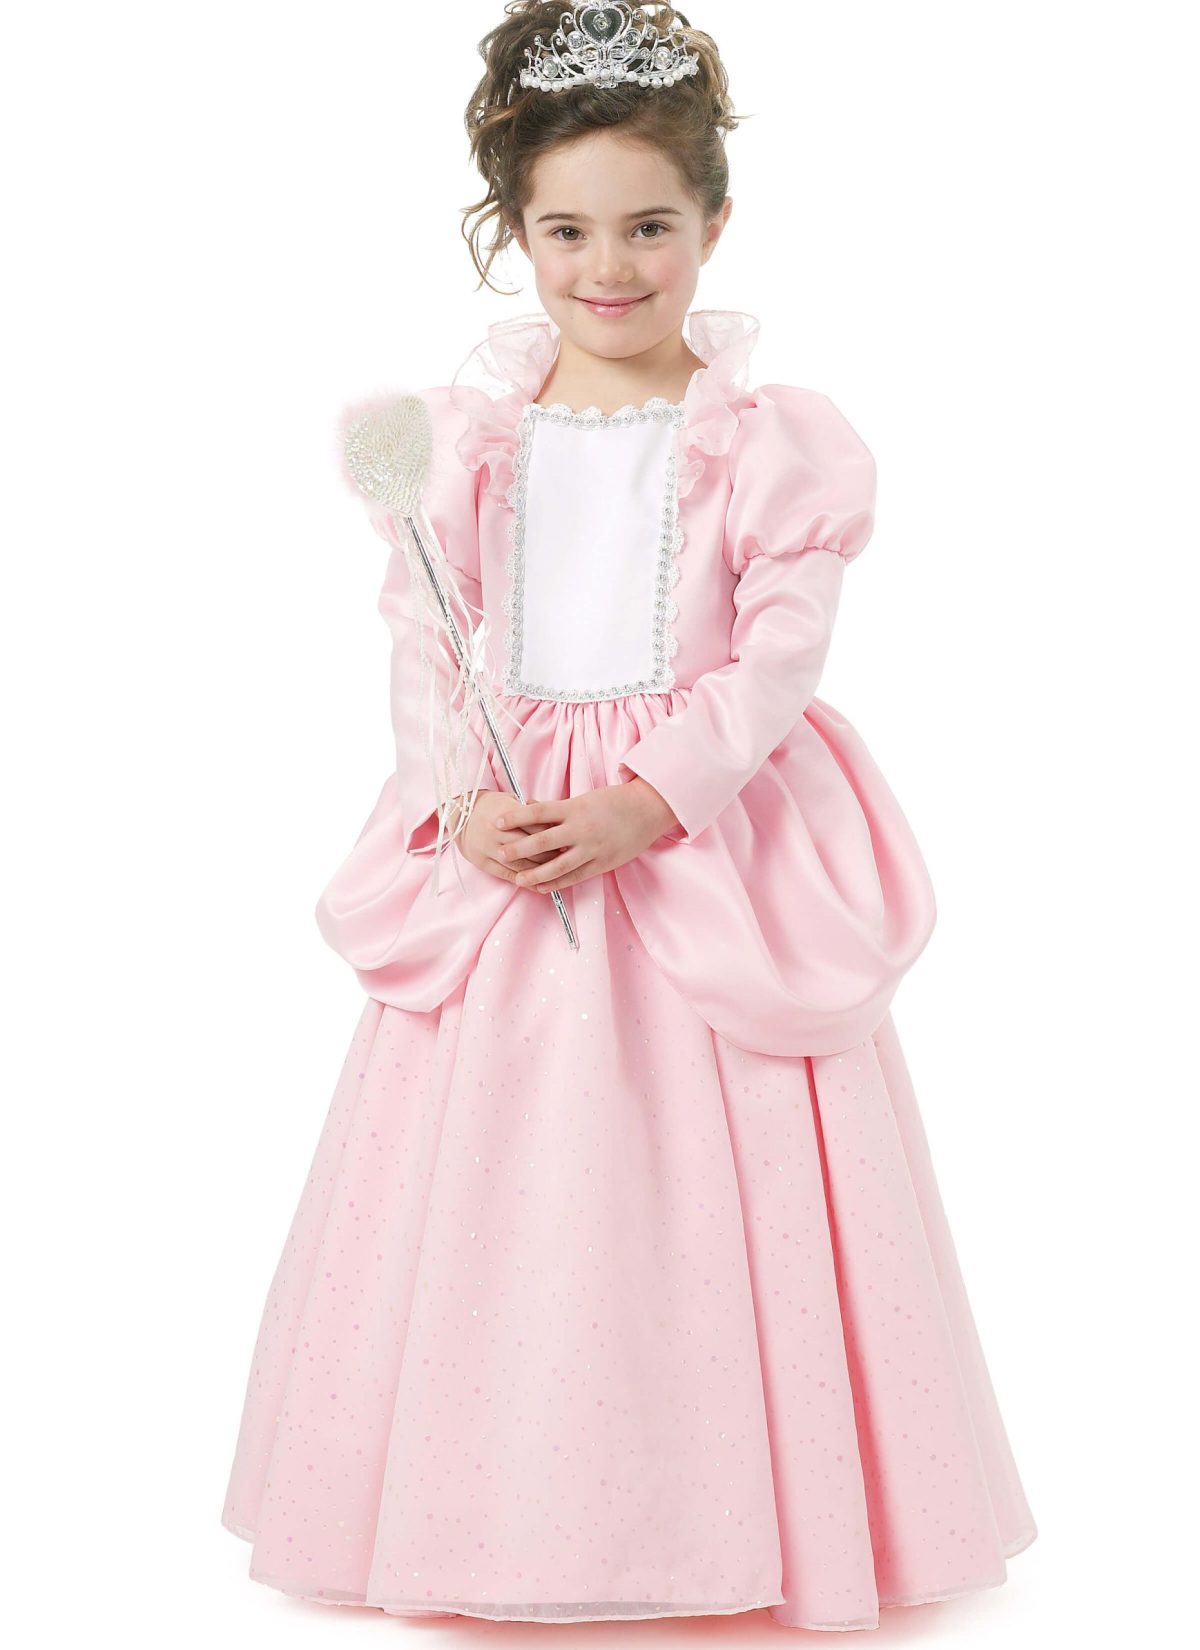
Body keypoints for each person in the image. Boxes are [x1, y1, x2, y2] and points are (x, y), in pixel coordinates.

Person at [220, 1, 1037, 1630]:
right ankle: (496, 1515)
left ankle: (746, 1516)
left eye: (650, 225)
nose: (611, 266)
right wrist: (463, 799)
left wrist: (650, 800)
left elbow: (779, 656)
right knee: (502, 1185)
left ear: (715, 220)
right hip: (515, 838)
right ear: (514, 232)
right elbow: (426, 632)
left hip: (697, 845)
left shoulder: (766, 441)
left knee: (725, 1179)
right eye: (568, 230)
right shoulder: (469, 438)